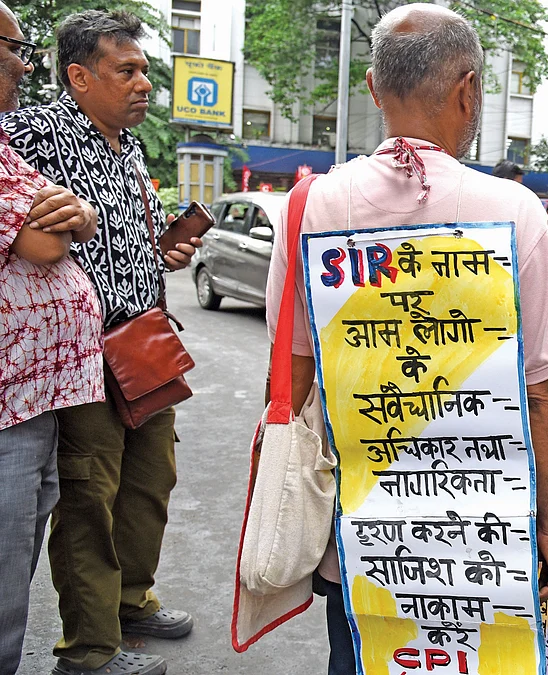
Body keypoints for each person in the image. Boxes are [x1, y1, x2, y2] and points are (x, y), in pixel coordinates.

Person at [264, 6, 548, 672]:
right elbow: (544, 393)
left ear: (374, 90)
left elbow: (290, 381)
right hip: (484, 542)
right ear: (470, 91)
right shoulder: (517, 212)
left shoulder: (312, 207)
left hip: (361, 538)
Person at [2, 10, 207, 675]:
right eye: (128, 70)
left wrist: (161, 253)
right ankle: (89, 648)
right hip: (84, 358)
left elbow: (122, 240)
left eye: (145, 69)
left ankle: (129, 601)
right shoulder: (34, 129)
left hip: (144, 342)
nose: (143, 82)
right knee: (90, 494)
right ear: (80, 76)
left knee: (151, 480)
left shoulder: (131, 148)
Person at [0, 8, 104, 673]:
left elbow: (71, 216)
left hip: (37, 398)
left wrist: (83, 213)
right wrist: (72, 218)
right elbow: (42, 238)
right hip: (7, 405)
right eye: (14, 48)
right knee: (5, 570)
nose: (22, 62)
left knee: (19, 555)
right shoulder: (32, 133)